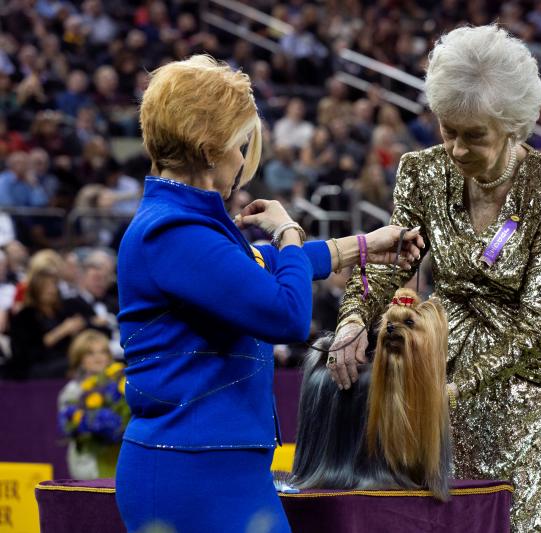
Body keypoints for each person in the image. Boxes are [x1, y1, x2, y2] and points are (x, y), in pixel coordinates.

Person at [113, 55, 422, 533]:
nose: (243, 159)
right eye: (239, 145)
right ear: (209, 148)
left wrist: (363, 247)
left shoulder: (183, 222)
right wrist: (288, 230)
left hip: (214, 463)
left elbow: (265, 268)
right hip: (193, 471)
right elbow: (287, 314)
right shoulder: (174, 232)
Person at [329, 25, 541, 531]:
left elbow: (538, 319)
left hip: (539, 390)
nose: (455, 148)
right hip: (442, 373)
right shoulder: (420, 171)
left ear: (513, 127)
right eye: (447, 130)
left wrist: (448, 391)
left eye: (475, 136)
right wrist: (354, 319)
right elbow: (392, 263)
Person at [57, 330, 115, 479]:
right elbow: (68, 427)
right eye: (90, 353)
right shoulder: (72, 391)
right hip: (87, 461)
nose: (98, 358)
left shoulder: (120, 387)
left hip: (117, 458)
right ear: (79, 359)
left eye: (103, 352)